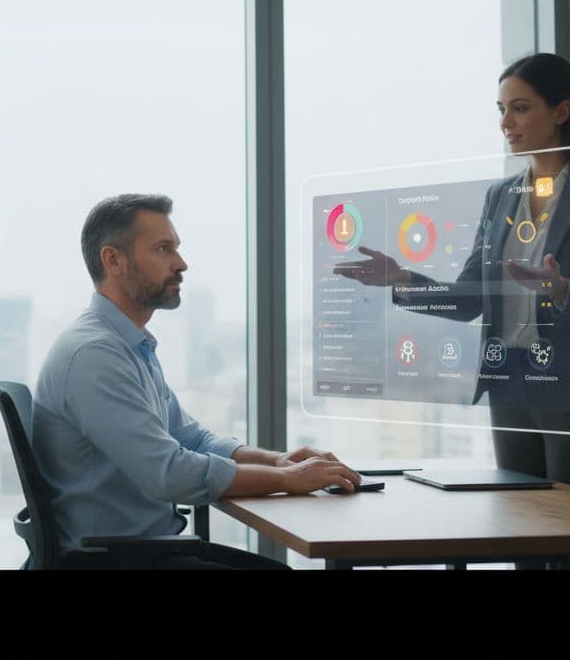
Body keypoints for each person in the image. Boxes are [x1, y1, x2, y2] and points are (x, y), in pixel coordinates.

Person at [336, 53, 570, 567]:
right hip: (511, 389)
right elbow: (471, 300)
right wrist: (403, 279)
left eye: (520, 108)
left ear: (562, 110)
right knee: (521, 546)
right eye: (501, 109)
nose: (506, 123)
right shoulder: (501, 196)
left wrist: (563, 289)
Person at [32, 193, 362, 569]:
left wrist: (279, 461)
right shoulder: (94, 355)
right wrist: (287, 478)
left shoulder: (127, 345)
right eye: (163, 249)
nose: (181, 263)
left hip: (145, 550)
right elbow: (170, 473)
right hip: (114, 561)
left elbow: (192, 439)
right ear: (114, 260)